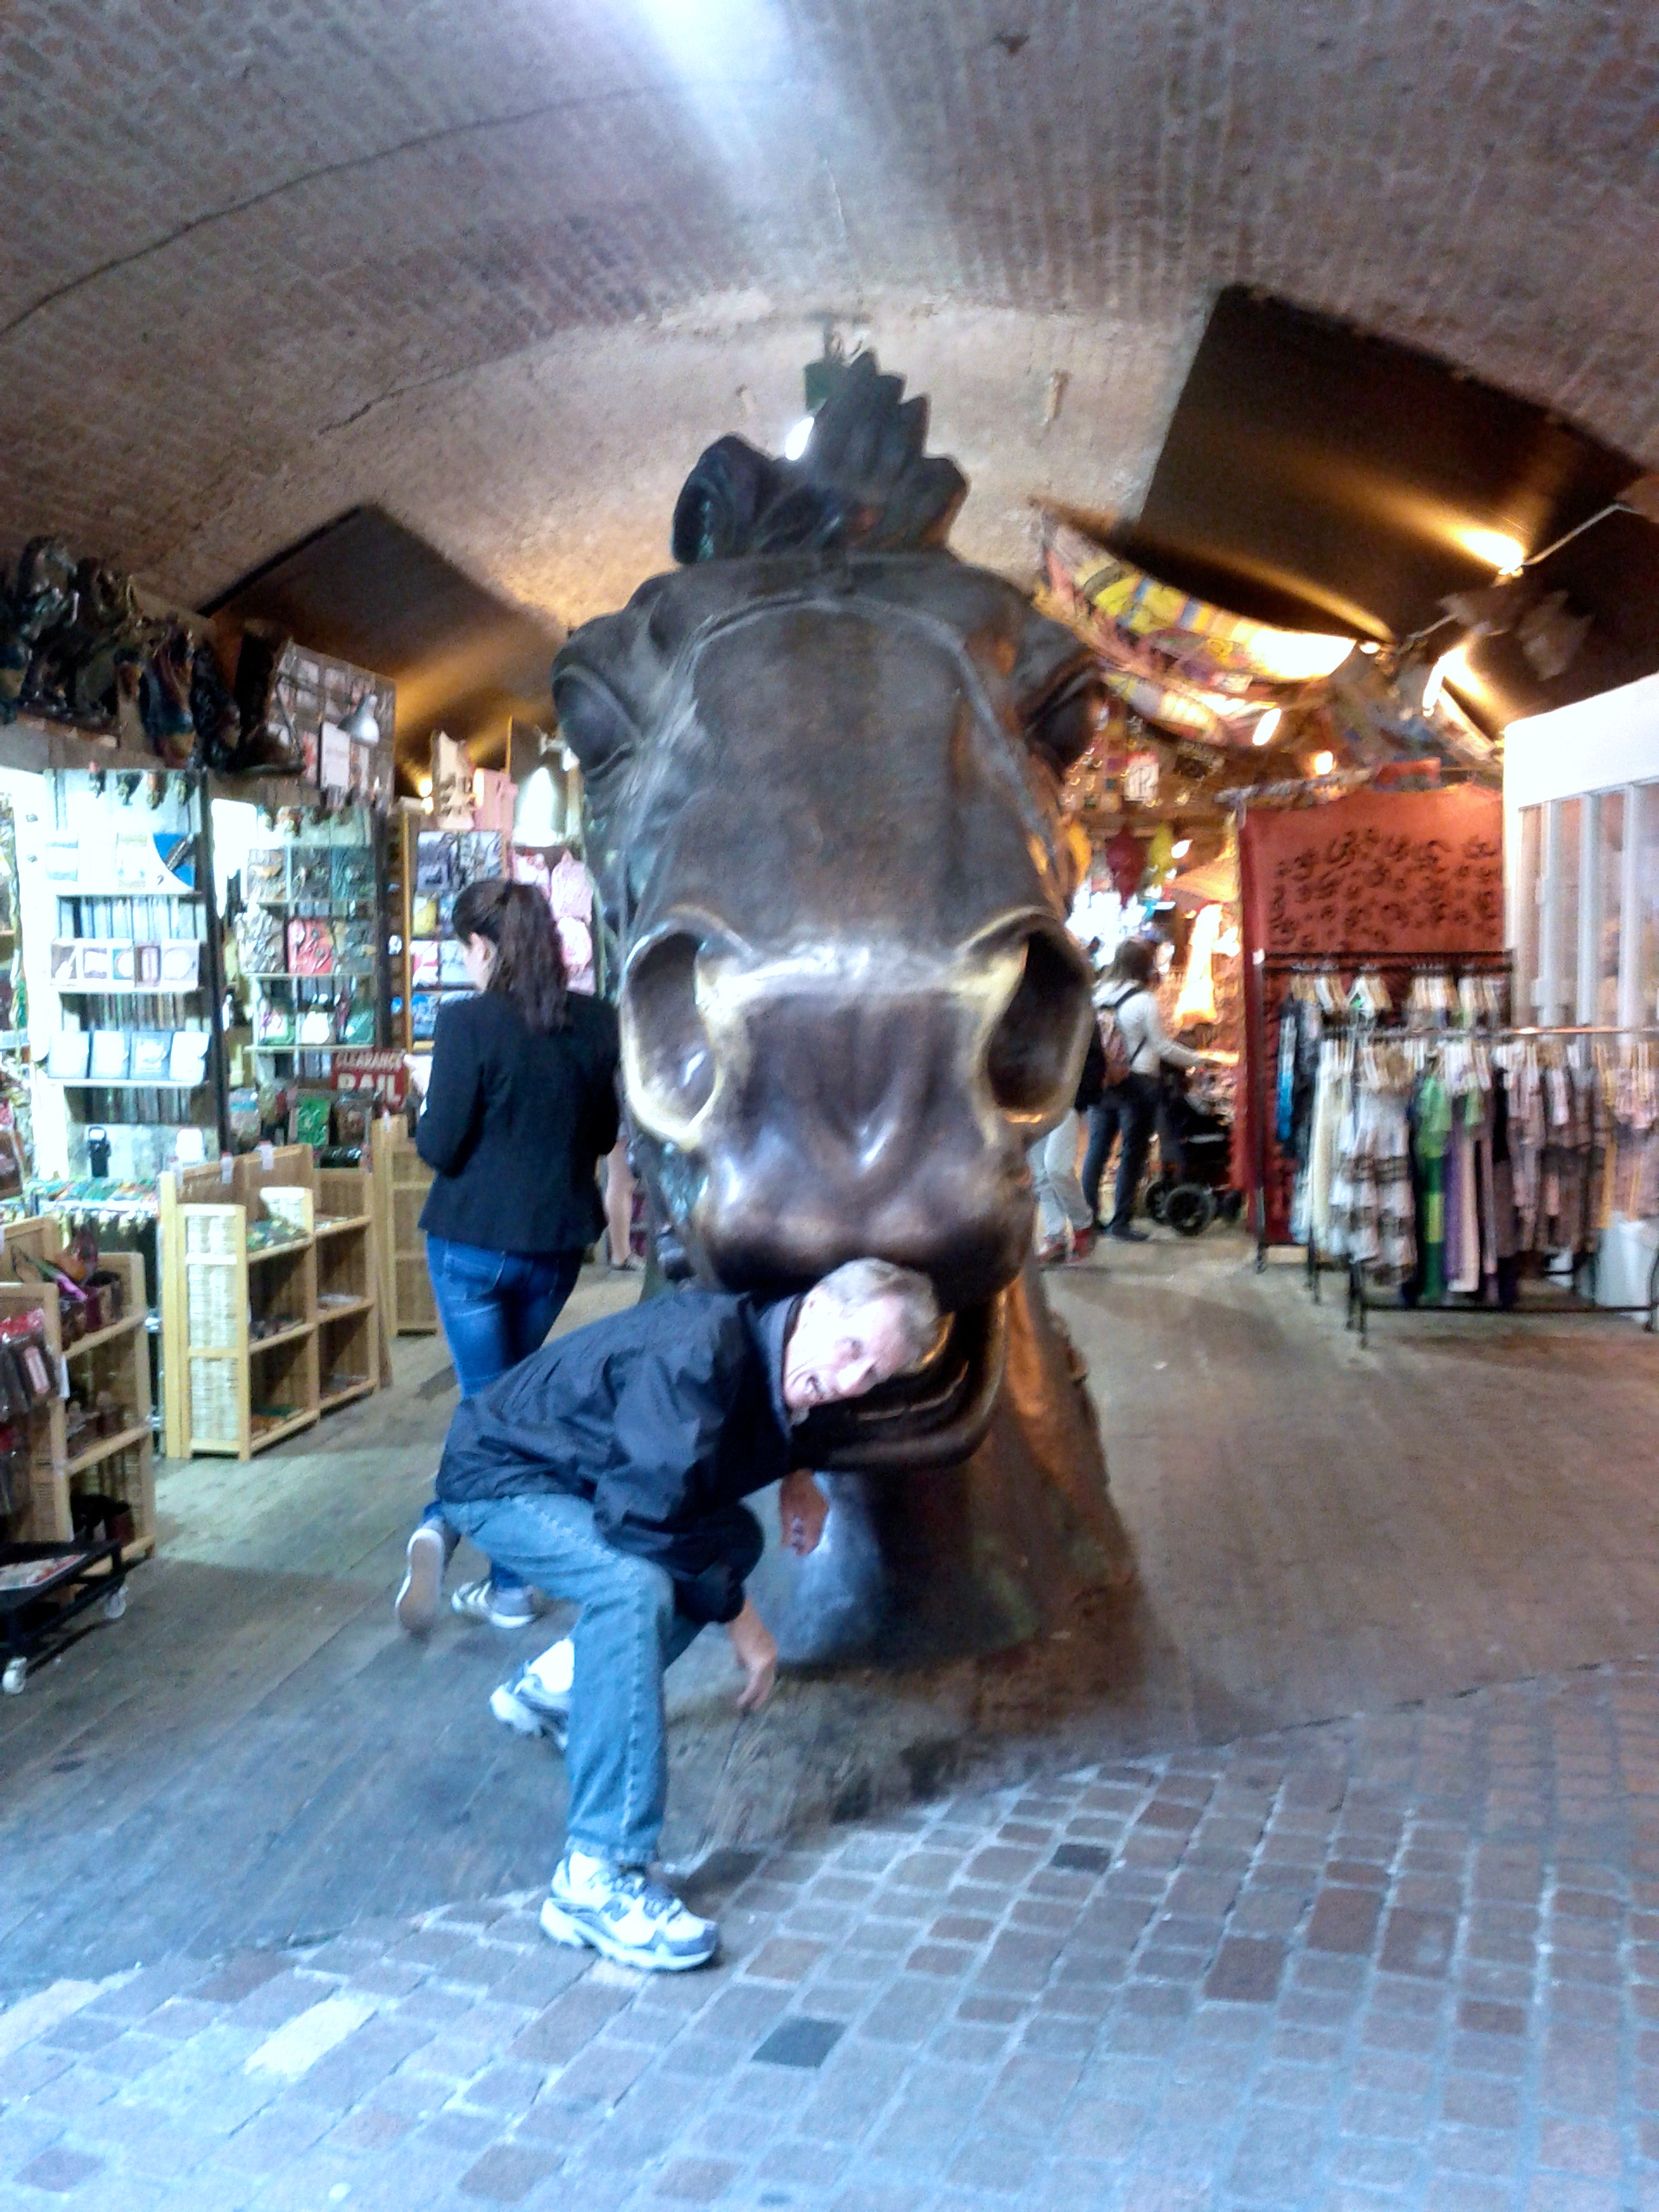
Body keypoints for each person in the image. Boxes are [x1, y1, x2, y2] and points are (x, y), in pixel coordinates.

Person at [430, 1255, 940, 1972]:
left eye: (875, 1375)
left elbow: (788, 1417)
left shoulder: (789, 1348)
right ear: (820, 1306)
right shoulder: (698, 1351)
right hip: (503, 1475)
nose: (853, 1381)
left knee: (734, 1539)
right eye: (853, 1350)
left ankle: (558, 1688)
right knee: (632, 1585)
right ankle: (595, 1875)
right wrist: (744, 1620)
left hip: (587, 1476)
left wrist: (798, 1476)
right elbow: (642, 1518)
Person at [395, 878, 620, 1633]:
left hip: (469, 1247)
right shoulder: (596, 1022)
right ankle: (501, 1579)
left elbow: (440, 1146)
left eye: (465, 949)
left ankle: (450, 1534)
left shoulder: (466, 1024)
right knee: (509, 1409)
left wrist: (425, 1099)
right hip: (553, 1249)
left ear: (484, 947)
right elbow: (602, 1136)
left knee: (490, 1412)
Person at [1084, 937, 1210, 1243]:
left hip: (1102, 1082)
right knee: (1132, 1151)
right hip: (1138, 1083)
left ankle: (1087, 1220)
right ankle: (1120, 1221)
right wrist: (1198, 1060)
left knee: (1097, 1149)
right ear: (1145, 965)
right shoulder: (1144, 1000)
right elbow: (1162, 1047)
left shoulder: (1096, 994)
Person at [1030, 1015, 1104, 1264]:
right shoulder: (1022, 1003)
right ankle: (1055, 1237)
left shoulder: (1073, 1003)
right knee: (1040, 1174)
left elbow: (1092, 1057)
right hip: (1030, 1098)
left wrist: (1078, 1094)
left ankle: (1083, 1224)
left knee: (1056, 1167)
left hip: (1065, 1098)